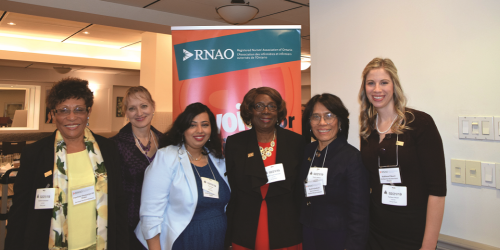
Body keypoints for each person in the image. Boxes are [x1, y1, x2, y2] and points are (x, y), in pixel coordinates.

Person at [5, 77, 128, 250]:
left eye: (79, 109)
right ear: (53, 114)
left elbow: (118, 204)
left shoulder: (107, 149)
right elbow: (19, 212)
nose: (72, 117)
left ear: (88, 112)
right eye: (63, 110)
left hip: (100, 243)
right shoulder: (35, 153)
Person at [358, 58, 446, 250]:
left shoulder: (419, 123)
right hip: (375, 232)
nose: (377, 89)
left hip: (413, 234)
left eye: (384, 82)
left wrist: (428, 245)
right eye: (370, 83)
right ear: (364, 88)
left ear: (394, 85)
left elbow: (437, 192)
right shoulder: (367, 130)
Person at [135, 102, 229, 250]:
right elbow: (150, 214)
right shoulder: (167, 157)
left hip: (217, 240)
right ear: (183, 129)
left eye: (205, 124)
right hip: (184, 241)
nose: (199, 130)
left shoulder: (218, 159)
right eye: (192, 125)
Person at [225, 87, 305, 250]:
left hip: (286, 228)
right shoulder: (235, 144)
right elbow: (233, 190)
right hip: (245, 228)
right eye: (259, 106)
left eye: (272, 106)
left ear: (278, 111)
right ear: (250, 111)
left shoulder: (296, 142)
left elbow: (299, 191)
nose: (266, 111)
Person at [299, 93, 369, 250]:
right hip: (308, 232)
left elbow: (360, 212)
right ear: (309, 122)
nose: (322, 123)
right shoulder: (308, 151)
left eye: (329, 116)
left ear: (340, 121)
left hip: (338, 237)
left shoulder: (351, 157)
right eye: (315, 117)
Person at [111, 86, 162, 249]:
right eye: (132, 108)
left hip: (163, 222)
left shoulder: (166, 141)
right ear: (126, 112)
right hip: (130, 227)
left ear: (153, 107)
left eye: (144, 106)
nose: (139, 113)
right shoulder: (114, 145)